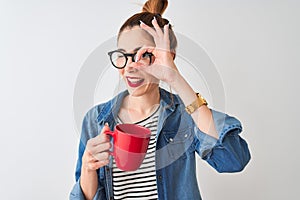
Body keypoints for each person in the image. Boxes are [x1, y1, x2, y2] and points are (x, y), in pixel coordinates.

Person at [70, 0, 251, 199]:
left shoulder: (184, 117)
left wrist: (175, 77)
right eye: (123, 55)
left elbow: (233, 160)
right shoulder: (95, 119)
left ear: (166, 57)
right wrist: (88, 168)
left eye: (143, 55)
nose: (130, 66)